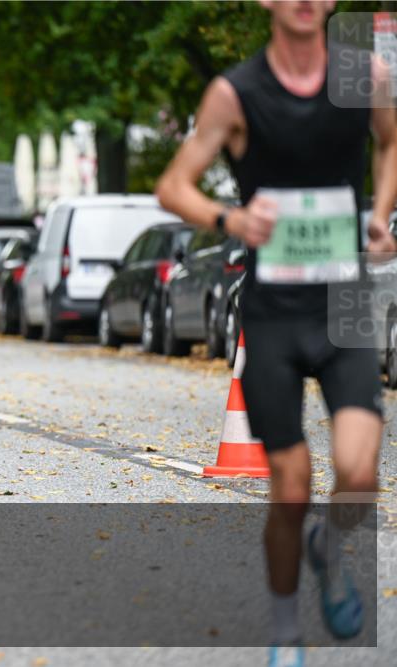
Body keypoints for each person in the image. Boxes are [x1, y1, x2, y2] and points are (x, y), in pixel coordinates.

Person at [155, 3, 396, 665]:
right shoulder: (235, 93)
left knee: (358, 470)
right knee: (290, 486)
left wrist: (378, 215)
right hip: (273, 313)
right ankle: (286, 628)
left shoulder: (363, 77)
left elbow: (391, 142)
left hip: (343, 302)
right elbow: (173, 185)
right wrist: (231, 219)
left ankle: (330, 544)